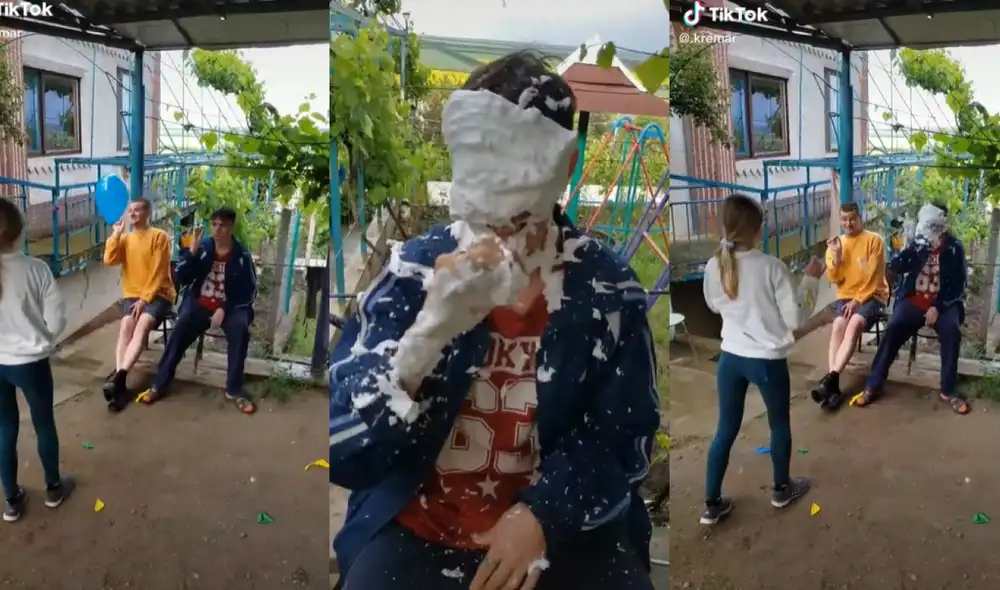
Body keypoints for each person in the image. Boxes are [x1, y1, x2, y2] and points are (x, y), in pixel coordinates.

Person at [330, 51, 660, 590]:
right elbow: (342, 448)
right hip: (419, 528)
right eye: (481, 219)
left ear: (563, 169)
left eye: (520, 219)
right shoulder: (412, 275)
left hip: (561, 531)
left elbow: (625, 436)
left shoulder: (607, 290)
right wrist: (429, 333)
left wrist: (543, 515)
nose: (499, 240)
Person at [700, 194, 829, 526]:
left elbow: (715, 306)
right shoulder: (772, 267)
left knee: (724, 430)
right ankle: (781, 489)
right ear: (757, 229)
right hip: (767, 361)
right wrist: (812, 278)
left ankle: (712, 505)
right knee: (779, 424)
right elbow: (796, 318)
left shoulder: (715, 265)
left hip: (731, 358)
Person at [137, 207, 258, 414]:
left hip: (229, 307)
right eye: (215, 224)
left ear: (232, 227)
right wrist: (191, 254)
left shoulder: (241, 256)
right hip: (200, 304)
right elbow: (182, 278)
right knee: (181, 327)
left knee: (240, 330)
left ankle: (234, 390)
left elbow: (249, 292)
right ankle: (160, 383)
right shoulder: (202, 248)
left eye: (223, 225)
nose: (218, 230)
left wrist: (224, 308)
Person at [855, 202, 969, 413]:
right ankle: (874, 384)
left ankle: (948, 390)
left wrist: (938, 305)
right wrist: (905, 249)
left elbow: (960, 286)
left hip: (944, 303)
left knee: (951, 331)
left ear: (942, 228)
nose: (930, 237)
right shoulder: (918, 244)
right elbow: (898, 267)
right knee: (895, 326)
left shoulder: (954, 248)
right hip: (914, 299)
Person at [0, 198, 75, 522]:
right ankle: (53, 489)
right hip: (30, 363)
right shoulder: (36, 269)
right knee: (44, 422)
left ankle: (12, 500)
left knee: (4, 428)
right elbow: (56, 320)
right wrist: (44, 340)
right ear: (20, 231)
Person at [812, 202, 889, 410]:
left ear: (860, 218)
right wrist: (836, 255)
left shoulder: (874, 241)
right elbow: (835, 279)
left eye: (852, 219)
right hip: (846, 297)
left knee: (854, 322)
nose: (848, 223)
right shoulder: (835, 245)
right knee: (838, 325)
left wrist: (858, 301)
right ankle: (833, 383)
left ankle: (830, 380)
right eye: (844, 219)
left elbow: (874, 278)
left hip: (874, 295)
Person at [102, 198, 176, 412]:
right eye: (130, 210)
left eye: (137, 210)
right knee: (126, 326)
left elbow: (159, 271)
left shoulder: (159, 237)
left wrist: (145, 299)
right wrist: (116, 233)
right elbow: (109, 259)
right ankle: (120, 382)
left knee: (142, 324)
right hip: (132, 295)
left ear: (147, 213)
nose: (133, 213)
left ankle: (119, 377)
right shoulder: (125, 239)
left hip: (158, 294)